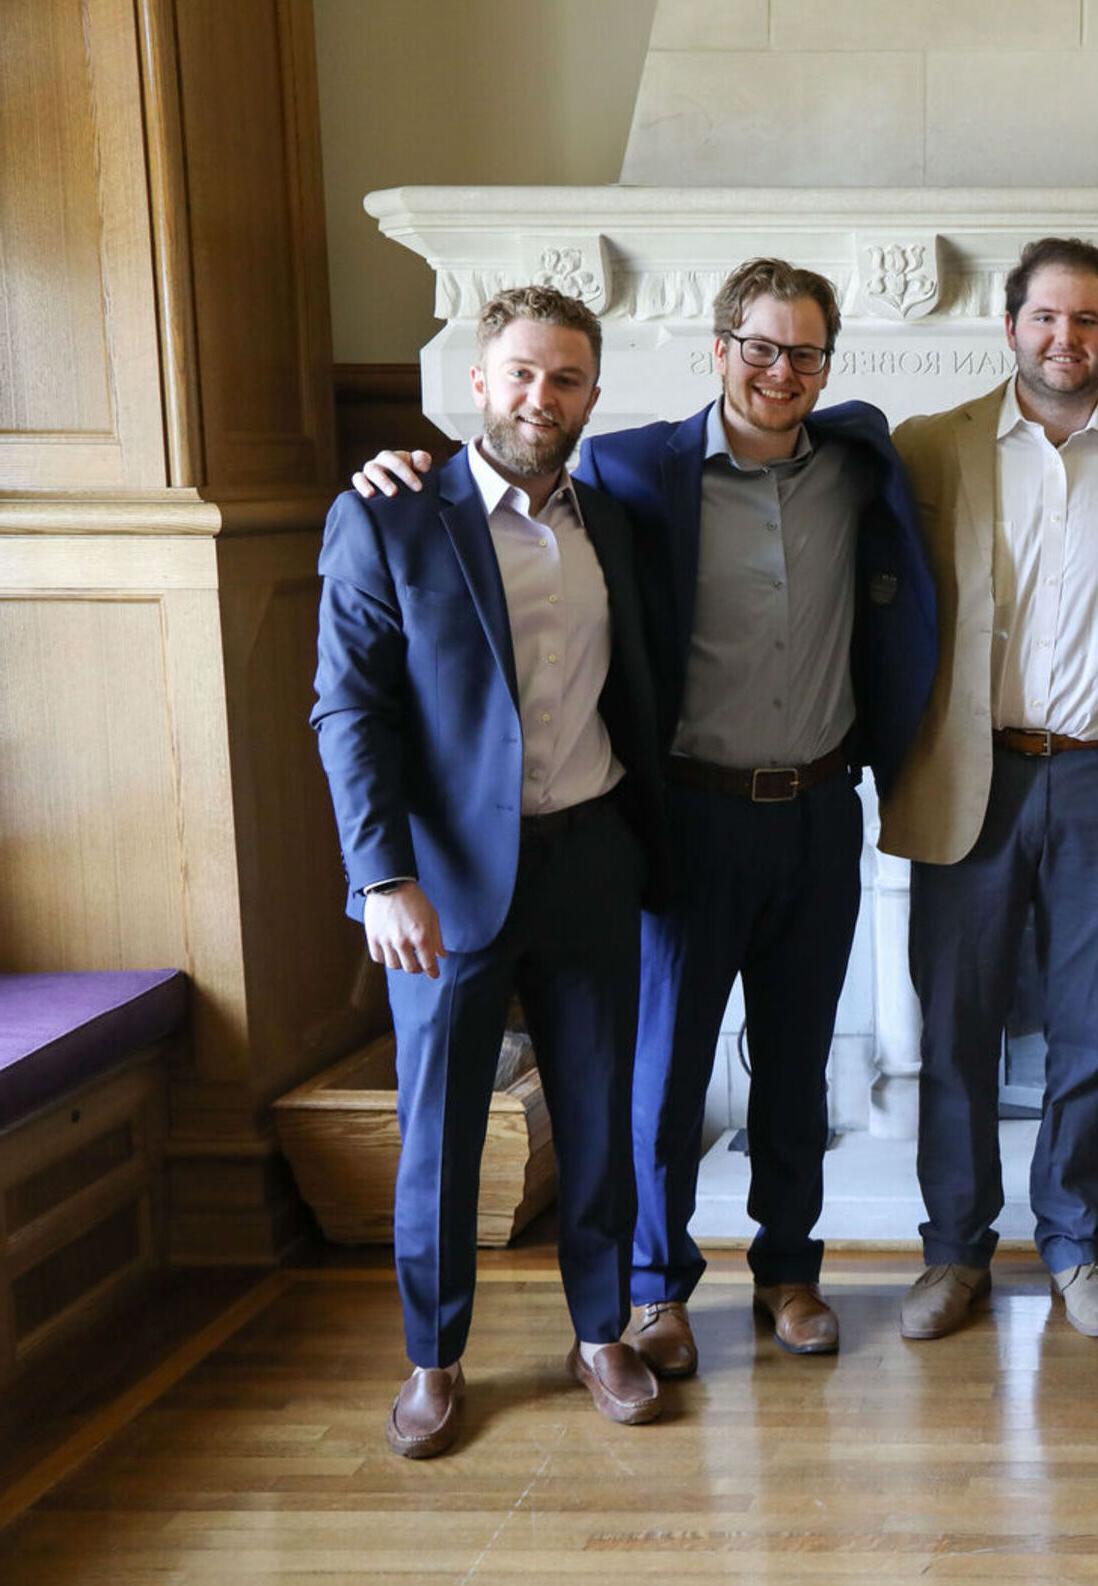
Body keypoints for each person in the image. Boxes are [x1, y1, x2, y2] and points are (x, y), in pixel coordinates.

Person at [348, 258, 937, 1376]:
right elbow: (469, 511)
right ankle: (656, 1290)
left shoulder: (863, 461)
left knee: (798, 1062)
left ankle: (789, 1270)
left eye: (804, 351)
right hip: (686, 815)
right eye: (759, 346)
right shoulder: (630, 471)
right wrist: (394, 458)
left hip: (817, 812)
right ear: (718, 350)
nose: (780, 369)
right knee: (660, 1076)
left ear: (827, 367)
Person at [313, 285, 670, 1456]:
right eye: (521, 372)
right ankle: (435, 1354)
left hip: (593, 856)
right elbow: (349, 709)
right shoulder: (393, 515)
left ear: (593, 395)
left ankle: (602, 1329)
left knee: (600, 1115)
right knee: (441, 1129)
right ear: (478, 381)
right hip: (449, 881)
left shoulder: (613, 515)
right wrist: (381, 875)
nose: (541, 395)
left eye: (566, 378)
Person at [881, 237, 1098, 1340]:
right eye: (1044, 318)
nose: (1064, 339)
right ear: (1010, 325)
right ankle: (953, 1250)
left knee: (1092, 1028)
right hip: (974, 776)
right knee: (960, 1027)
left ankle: (1077, 1240)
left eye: (1087, 320)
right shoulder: (931, 447)